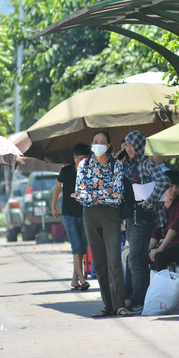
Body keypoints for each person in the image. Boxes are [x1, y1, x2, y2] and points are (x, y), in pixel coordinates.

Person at [74, 131, 131, 317]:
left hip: (111, 215)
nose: (98, 144)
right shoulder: (84, 164)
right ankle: (108, 306)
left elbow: (117, 194)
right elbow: (81, 193)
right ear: (91, 144)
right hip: (90, 215)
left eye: (102, 142)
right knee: (98, 261)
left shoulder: (116, 165)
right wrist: (104, 191)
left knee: (114, 259)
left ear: (108, 146)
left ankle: (120, 304)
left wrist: (95, 192)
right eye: (95, 141)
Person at [122, 130, 170, 314]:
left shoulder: (147, 163)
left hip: (144, 217)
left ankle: (139, 299)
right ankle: (136, 298)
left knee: (136, 258)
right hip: (130, 219)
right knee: (134, 258)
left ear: (140, 145)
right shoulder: (126, 166)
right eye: (126, 145)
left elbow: (164, 181)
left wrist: (149, 202)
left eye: (132, 145)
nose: (129, 148)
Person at [52, 143, 91, 291]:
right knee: (76, 247)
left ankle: (75, 280)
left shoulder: (89, 172)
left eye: (83, 158)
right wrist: (53, 206)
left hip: (85, 213)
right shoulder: (66, 170)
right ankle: (82, 279)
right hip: (68, 214)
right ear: (73, 157)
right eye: (77, 157)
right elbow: (57, 188)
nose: (80, 160)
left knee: (81, 248)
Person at [149, 170, 179, 271]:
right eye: (171, 186)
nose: (174, 190)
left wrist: (161, 248)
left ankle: (162, 286)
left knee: (159, 256)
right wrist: (148, 250)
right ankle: (145, 286)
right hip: (164, 244)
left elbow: (176, 226)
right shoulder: (159, 204)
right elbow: (156, 232)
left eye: (177, 187)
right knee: (137, 257)